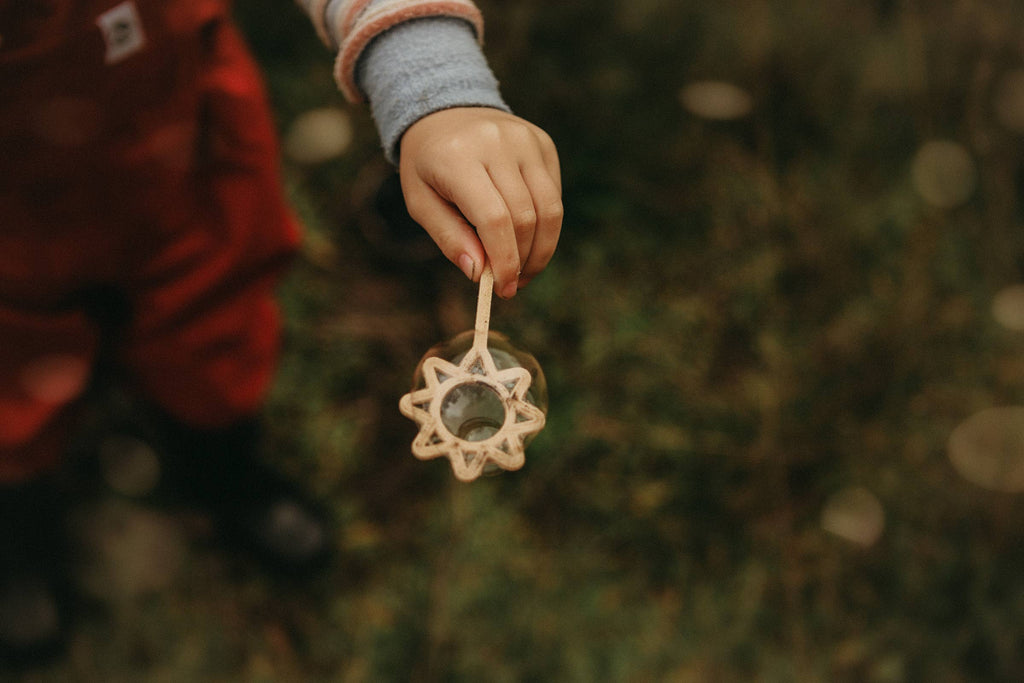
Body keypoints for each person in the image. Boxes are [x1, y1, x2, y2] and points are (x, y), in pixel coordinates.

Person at [0, 0, 562, 663]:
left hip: (182, 148)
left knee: (211, 324)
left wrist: (433, 78)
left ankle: (222, 466)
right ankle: (19, 519)